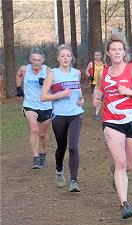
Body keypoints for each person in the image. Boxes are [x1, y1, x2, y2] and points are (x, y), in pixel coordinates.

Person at [93, 31, 132, 219]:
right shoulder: (103, 72)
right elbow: (98, 88)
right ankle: (124, 203)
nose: (117, 52)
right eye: (113, 49)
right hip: (112, 122)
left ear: (124, 51)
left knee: (128, 166)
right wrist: (96, 98)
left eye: (120, 49)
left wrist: (129, 92)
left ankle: (117, 173)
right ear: (108, 53)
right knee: (121, 163)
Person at [41, 44, 84, 192]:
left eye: (68, 55)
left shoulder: (76, 73)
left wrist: (81, 100)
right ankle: (59, 169)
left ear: (71, 58)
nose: (65, 58)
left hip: (76, 114)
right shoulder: (53, 74)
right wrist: (59, 95)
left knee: (73, 147)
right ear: (58, 58)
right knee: (62, 147)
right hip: (59, 116)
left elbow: (78, 90)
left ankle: (74, 181)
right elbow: (43, 96)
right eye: (62, 56)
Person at [16, 48, 52, 169]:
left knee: (42, 134)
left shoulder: (48, 71)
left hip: (46, 106)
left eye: (39, 60)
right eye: (34, 59)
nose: (36, 62)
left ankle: (43, 153)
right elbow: (19, 75)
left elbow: (56, 85)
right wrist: (18, 88)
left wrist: (47, 82)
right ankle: (36, 158)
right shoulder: (24, 69)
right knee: (34, 129)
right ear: (30, 60)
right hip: (29, 105)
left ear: (43, 60)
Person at [85, 51, 106, 120]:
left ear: (101, 56)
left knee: (99, 99)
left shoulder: (104, 64)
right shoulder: (91, 63)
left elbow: (107, 72)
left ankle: (96, 114)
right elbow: (86, 71)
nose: (97, 56)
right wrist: (89, 77)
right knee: (94, 99)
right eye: (95, 55)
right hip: (93, 83)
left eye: (98, 55)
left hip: (101, 84)